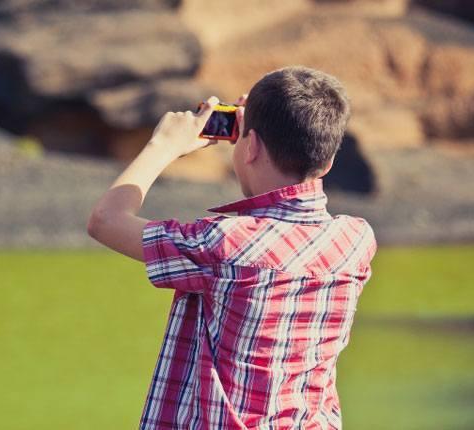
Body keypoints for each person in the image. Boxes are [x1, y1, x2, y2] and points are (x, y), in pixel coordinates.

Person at [87, 65, 377, 429]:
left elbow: (106, 220)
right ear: (329, 160)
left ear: (251, 146)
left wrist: (165, 146)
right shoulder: (354, 242)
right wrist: (257, 127)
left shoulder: (225, 246)